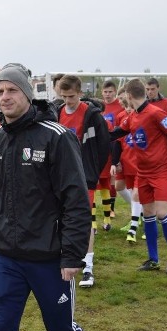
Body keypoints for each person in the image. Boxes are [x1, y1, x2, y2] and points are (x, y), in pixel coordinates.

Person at [0, 63, 98, 331]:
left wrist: (72, 256)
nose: (4, 97)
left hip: (50, 257)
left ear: (28, 94)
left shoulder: (56, 137)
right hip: (5, 259)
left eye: (12, 90)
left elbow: (76, 201)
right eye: (0, 91)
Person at [111, 78, 167, 275]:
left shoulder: (156, 113)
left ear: (129, 96)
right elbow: (115, 133)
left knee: (161, 213)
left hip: (161, 171)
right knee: (148, 214)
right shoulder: (132, 117)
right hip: (143, 172)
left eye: (125, 97)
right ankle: (153, 259)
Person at [56, 75, 110, 288]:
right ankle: (63, 261)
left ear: (80, 93)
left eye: (71, 96)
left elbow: (104, 145)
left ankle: (88, 267)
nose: (68, 100)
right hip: (60, 177)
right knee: (60, 219)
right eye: (64, 96)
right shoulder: (57, 112)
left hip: (83, 177)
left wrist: (92, 171)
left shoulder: (91, 114)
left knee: (84, 221)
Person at [110, 92, 143, 243]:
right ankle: (139, 214)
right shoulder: (122, 118)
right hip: (125, 162)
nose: (128, 109)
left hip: (140, 163)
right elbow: (117, 141)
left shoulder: (143, 118)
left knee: (139, 194)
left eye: (131, 106)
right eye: (126, 107)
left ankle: (137, 223)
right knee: (122, 188)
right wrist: (116, 161)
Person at [101, 81, 124, 217]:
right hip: (101, 147)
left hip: (115, 146)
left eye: (110, 92)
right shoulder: (99, 107)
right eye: (105, 92)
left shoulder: (120, 107)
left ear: (115, 92)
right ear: (102, 92)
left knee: (113, 178)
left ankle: (112, 209)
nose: (108, 94)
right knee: (103, 179)